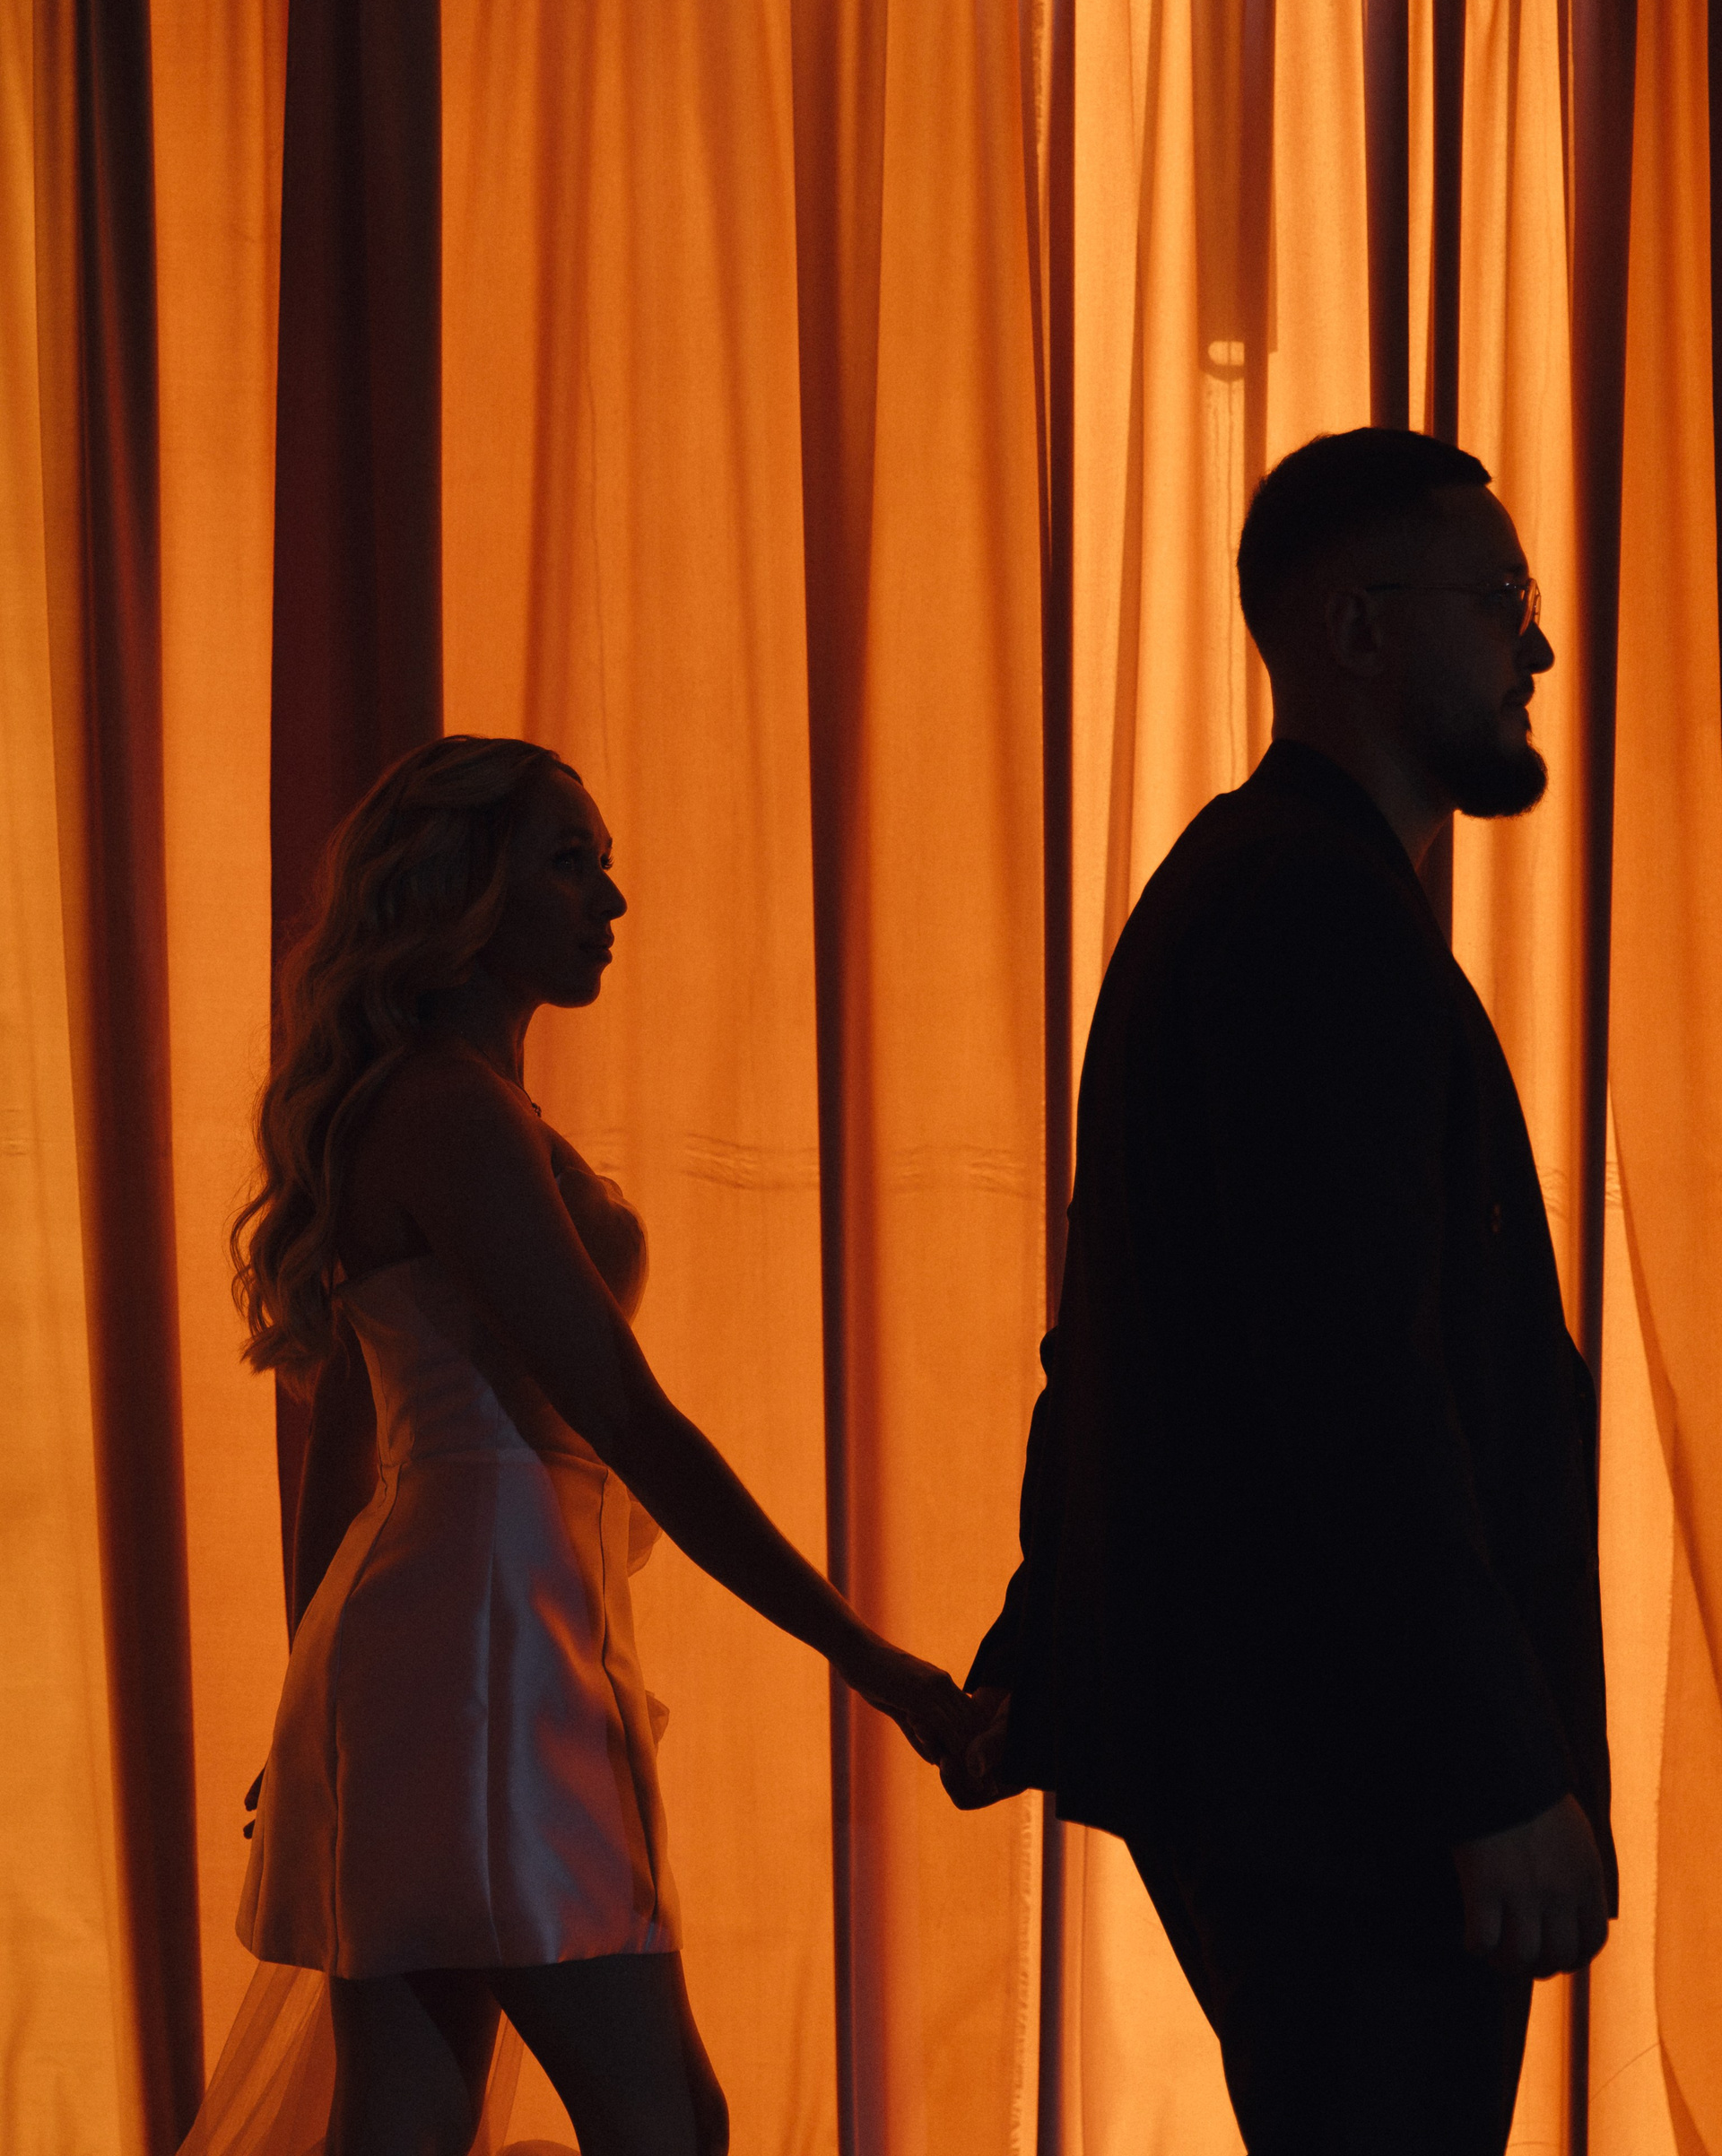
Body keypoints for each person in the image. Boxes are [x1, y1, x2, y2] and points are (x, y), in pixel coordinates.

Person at [944, 430, 1615, 2153]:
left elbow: (1131, 1325)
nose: (1540, 646)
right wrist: (1491, 1769)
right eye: (1503, 599)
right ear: (1362, 629)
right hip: (1361, 1781)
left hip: (1317, 1763)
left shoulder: (1253, 893)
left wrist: (1043, 1631)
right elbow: (1348, 1382)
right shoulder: (1311, 917)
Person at [218, 735, 974, 2156]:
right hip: (488, 1648)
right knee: (662, 2121)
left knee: (409, 2121)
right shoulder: (450, 1111)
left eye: (604, 866)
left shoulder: (449, 1106)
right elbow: (629, 1420)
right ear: (463, 888)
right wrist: (870, 1660)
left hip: (445, 1644)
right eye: (570, 864)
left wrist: (321, 1713)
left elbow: (347, 1447)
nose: (611, 901)